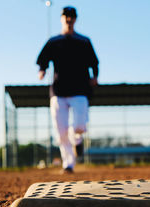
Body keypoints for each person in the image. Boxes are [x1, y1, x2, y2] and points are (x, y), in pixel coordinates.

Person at [36, 6, 99, 173]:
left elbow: (94, 62)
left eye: (72, 17)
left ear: (75, 19)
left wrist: (95, 76)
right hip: (58, 91)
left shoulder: (84, 41)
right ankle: (68, 163)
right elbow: (43, 59)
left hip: (80, 89)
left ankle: (77, 139)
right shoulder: (54, 41)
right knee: (61, 130)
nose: (69, 20)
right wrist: (42, 70)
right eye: (66, 17)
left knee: (79, 126)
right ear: (62, 19)